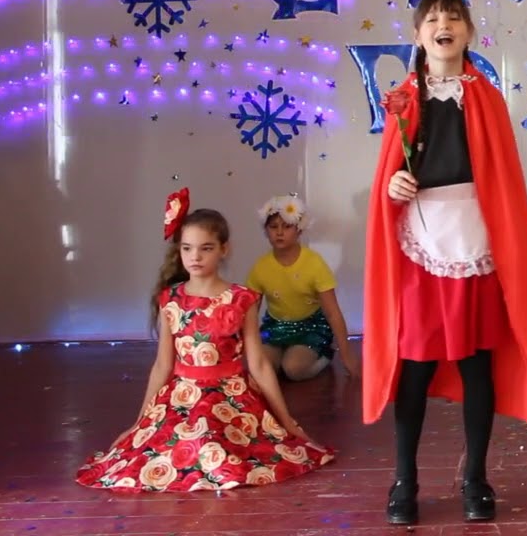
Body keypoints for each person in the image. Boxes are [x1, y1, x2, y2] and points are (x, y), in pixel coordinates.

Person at [363, 0, 527, 524]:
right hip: (422, 245)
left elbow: (501, 177)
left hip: (474, 243)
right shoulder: (403, 98)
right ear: (417, 35)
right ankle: (404, 480)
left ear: (469, 32)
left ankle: (475, 477)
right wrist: (393, 187)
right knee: (414, 366)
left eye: (453, 17)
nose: (443, 26)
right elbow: (390, 173)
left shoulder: (486, 98)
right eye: (432, 19)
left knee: (477, 366)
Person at [75, 188, 334, 492]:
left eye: (206, 248)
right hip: (181, 398)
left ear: (224, 249)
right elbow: (162, 366)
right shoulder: (170, 299)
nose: (195, 257)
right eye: (187, 248)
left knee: (222, 448)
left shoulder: (241, 298)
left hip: (231, 396)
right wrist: (139, 423)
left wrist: (287, 421)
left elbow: (259, 365)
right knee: (171, 450)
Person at [246, 194, 358, 380]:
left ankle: (323, 355)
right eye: (273, 227)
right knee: (262, 366)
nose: (279, 232)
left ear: (299, 229)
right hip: (276, 329)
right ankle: (282, 358)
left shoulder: (314, 263)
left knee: (293, 369)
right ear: (266, 230)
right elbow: (250, 314)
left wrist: (346, 355)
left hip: (310, 328)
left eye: (287, 226)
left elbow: (333, 313)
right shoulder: (260, 267)